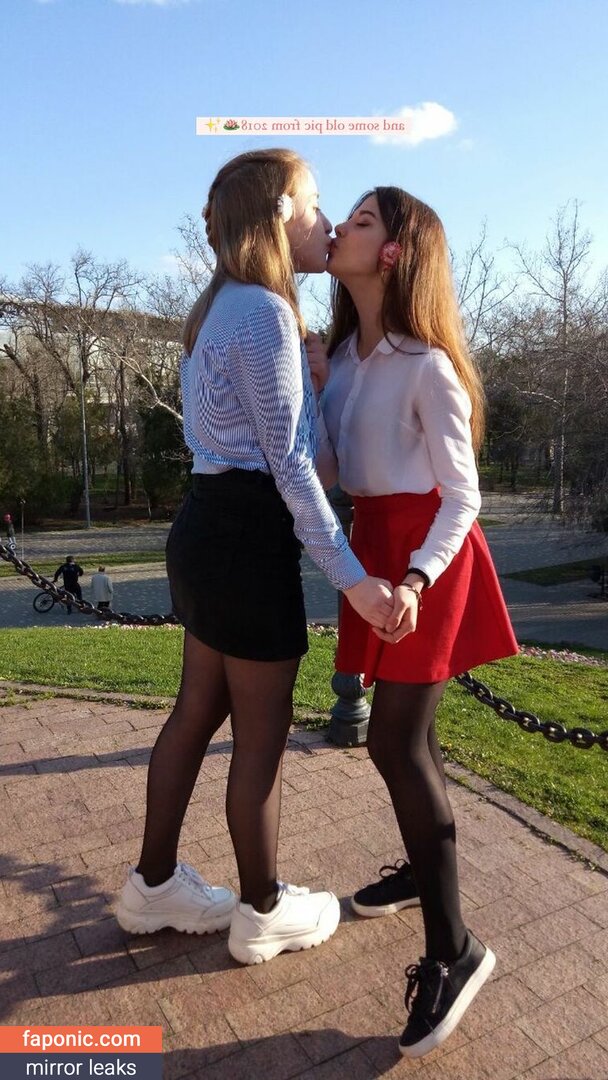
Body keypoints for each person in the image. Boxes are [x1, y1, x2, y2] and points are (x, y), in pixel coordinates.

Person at [115, 149, 394, 964]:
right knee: (260, 736)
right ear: (278, 214)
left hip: (207, 526)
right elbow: (293, 470)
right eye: (315, 203)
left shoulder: (217, 308)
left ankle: (153, 886)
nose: (326, 220)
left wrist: (314, 384)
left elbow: (279, 450)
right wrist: (353, 579)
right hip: (246, 538)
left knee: (195, 713)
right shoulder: (266, 312)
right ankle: (263, 908)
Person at [319, 186, 519, 1058]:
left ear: (398, 252)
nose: (339, 228)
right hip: (371, 545)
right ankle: (418, 870)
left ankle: (455, 949)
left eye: (362, 221)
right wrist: (313, 390)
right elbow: (335, 469)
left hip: (424, 559)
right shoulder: (343, 356)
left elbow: (464, 497)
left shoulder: (428, 365)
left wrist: (413, 578)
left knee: (394, 743)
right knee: (414, 743)